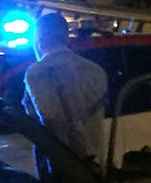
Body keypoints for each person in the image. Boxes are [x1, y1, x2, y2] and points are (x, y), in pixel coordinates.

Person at [23, 12, 109, 166]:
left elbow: (52, 123)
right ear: (66, 37)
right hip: (96, 165)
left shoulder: (38, 72)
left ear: (39, 39)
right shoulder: (96, 71)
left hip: (65, 172)